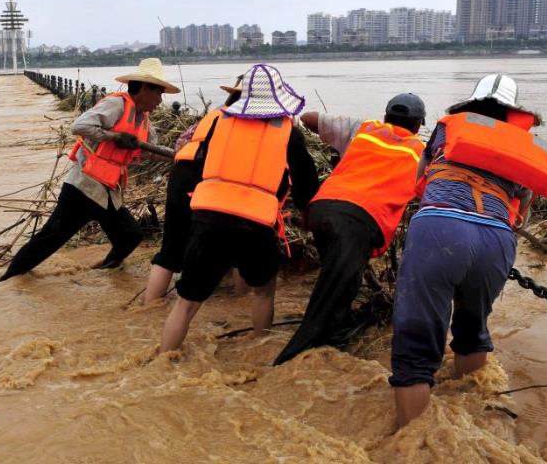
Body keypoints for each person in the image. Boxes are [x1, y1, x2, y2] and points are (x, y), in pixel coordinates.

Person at [389, 74, 547, 427]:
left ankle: (413, 446)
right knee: (472, 331)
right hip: (497, 240)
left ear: (471, 103)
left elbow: (420, 178)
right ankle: (470, 414)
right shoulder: (523, 148)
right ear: (515, 114)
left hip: (440, 228)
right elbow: (520, 213)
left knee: (416, 346)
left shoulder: (448, 127)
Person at [159, 64, 319, 352]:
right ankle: (259, 354)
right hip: (255, 223)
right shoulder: (288, 132)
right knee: (264, 291)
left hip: (208, 218)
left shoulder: (219, 122)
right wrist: (308, 218)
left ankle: (161, 361)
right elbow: (306, 185)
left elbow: (198, 163)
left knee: (186, 304)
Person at [273, 94, 428, 365]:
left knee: (337, 284)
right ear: (418, 125)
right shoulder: (421, 153)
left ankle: (331, 337)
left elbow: (308, 119)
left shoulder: (364, 130)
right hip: (358, 222)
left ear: (386, 117)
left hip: (321, 209)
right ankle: (292, 362)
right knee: (329, 301)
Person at [0, 58, 180, 282]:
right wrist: (114, 136)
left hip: (108, 191)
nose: (160, 100)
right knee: (50, 238)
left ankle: (102, 273)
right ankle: (8, 280)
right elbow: (80, 126)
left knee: (130, 236)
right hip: (84, 187)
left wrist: (180, 155)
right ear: (144, 88)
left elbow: (147, 151)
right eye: (159, 93)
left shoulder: (144, 120)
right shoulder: (117, 105)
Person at [142, 75, 244, 304]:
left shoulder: (214, 115)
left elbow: (181, 144)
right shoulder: (250, 121)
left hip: (181, 176)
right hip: (208, 182)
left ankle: (149, 305)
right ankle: (240, 305)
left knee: (170, 249)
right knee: (238, 247)